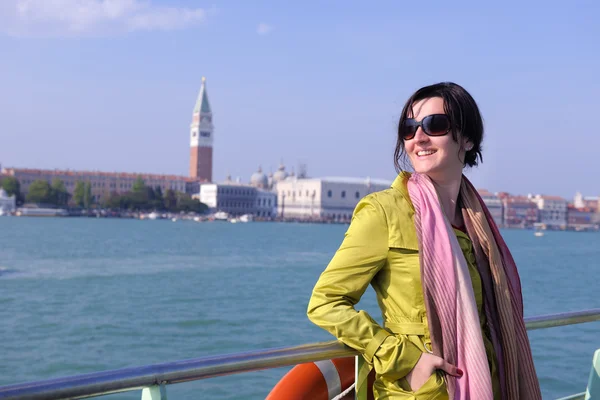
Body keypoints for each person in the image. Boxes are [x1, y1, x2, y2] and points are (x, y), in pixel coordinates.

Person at [307, 82, 542, 399]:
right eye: (409, 128)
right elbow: (325, 303)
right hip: (421, 392)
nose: (418, 137)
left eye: (435, 125)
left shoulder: (478, 223)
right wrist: (405, 359)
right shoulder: (384, 212)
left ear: (469, 139)